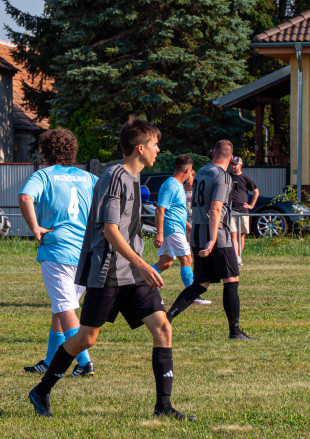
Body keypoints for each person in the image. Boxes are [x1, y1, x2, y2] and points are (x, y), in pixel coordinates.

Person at [28, 117, 195, 421]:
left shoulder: (134, 179)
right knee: (86, 338)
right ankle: (42, 390)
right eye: (155, 144)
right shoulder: (114, 177)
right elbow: (110, 230)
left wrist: (140, 265)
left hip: (131, 273)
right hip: (108, 272)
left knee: (163, 328)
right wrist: (143, 264)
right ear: (140, 148)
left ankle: (163, 406)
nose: (159, 149)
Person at [18, 128, 97, 377]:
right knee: (60, 307)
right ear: (72, 151)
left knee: (65, 308)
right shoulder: (89, 178)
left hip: (58, 250)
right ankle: (51, 360)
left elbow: (24, 198)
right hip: (85, 253)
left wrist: (35, 228)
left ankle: (84, 362)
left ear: (45, 152)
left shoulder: (44, 175)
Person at [165, 140, 257, 341]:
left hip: (197, 232)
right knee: (231, 280)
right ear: (231, 158)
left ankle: (168, 316)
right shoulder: (223, 176)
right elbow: (215, 208)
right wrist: (213, 239)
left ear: (213, 153)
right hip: (216, 235)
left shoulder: (202, 172)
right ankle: (235, 331)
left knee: (201, 283)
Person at [151, 154, 210, 305]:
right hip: (172, 229)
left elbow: (177, 211)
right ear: (187, 170)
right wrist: (160, 233)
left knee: (165, 262)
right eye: (191, 172)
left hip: (176, 228)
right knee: (187, 259)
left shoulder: (177, 185)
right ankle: (193, 296)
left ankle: (140, 281)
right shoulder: (171, 185)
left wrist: (188, 227)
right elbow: (160, 209)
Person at [228, 156, 259, 265]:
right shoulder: (228, 177)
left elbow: (256, 191)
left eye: (235, 164)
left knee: (241, 235)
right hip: (231, 210)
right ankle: (235, 257)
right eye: (232, 164)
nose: (233, 166)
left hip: (243, 211)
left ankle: (239, 256)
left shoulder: (245, 178)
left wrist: (251, 205)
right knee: (233, 235)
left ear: (240, 165)